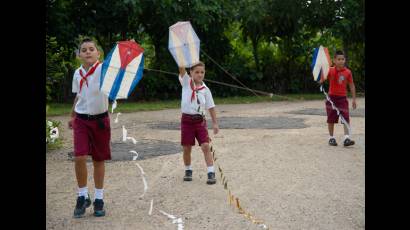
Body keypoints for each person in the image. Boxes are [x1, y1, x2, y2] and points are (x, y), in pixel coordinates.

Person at [68, 38, 110, 218]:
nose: (87, 52)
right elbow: (79, 95)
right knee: (79, 157)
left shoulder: (103, 69)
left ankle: (99, 199)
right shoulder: (77, 73)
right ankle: (82, 195)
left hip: (100, 120)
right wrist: (72, 114)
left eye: (91, 49)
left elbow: (118, 69)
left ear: (98, 53)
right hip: (82, 121)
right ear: (79, 55)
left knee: (98, 160)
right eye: (83, 50)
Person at [178, 61, 219, 184]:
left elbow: (211, 107)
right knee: (187, 148)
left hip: (200, 121)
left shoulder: (205, 90)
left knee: (206, 146)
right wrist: (182, 57)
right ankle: (188, 170)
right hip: (186, 121)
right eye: (196, 72)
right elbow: (181, 68)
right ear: (191, 73)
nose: (200, 74)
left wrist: (215, 123)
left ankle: (211, 172)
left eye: (202, 72)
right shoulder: (186, 82)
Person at [319, 50, 357, 147]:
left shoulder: (348, 72)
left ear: (345, 60)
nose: (341, 61)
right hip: (331, 99)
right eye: (338, 59)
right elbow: (322, 78)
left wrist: (354, 99)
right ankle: (331, 138)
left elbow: (351, 85)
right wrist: (320, 79)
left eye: (342, 59)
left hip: (342, 99)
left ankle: (346, 138)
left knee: (345, 117)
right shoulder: (330, 70)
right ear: (334, 60)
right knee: (331, 118)